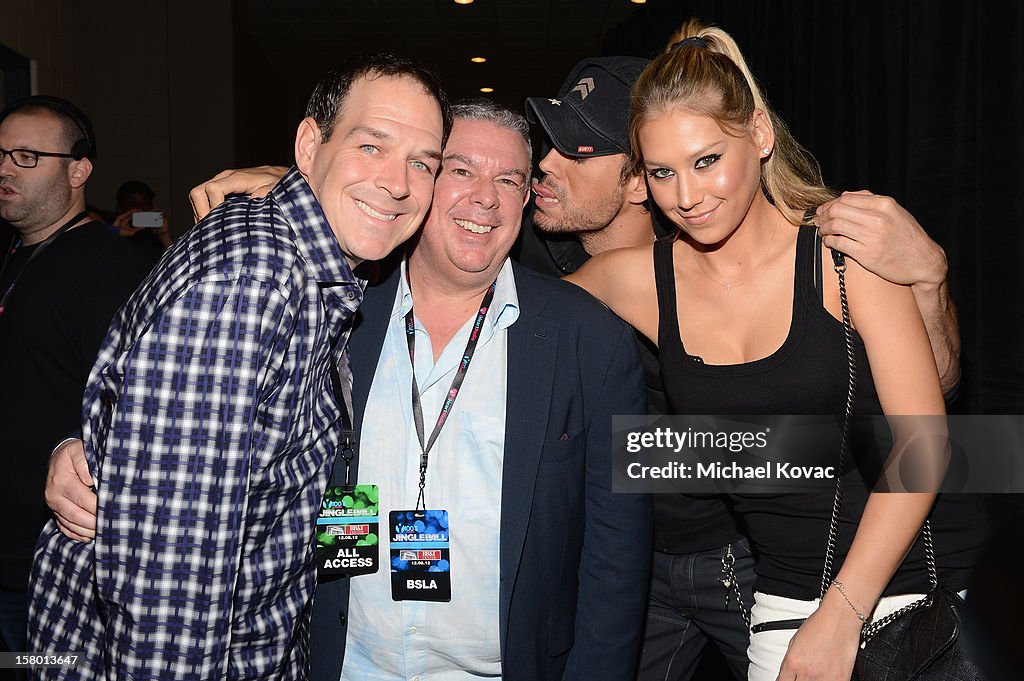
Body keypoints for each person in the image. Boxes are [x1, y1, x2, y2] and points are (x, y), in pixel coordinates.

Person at [46, 99, 654, 681]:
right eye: (458, 169)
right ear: (421, 182)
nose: (484, 199)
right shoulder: (330, 307)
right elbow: (201, 403)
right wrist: (91, 449)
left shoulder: (592, 340)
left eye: (511, 180)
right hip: (340, 661)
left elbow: (617, 555)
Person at [563, 20, 990, 681]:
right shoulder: (641, 280)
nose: (689, 196)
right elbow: (513, 316)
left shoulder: (845, 255)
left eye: (707, 160)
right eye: (663, 172)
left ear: (759, 134)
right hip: (785, 595)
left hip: (916, 593)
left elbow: (925, 446)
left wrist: (842, 615)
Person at [28, 52, 451, 681]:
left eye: (425, 163)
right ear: (311, 145)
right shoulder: (255, 280)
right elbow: (170, 591)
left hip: (288, 639)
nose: (399, 181)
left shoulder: (335, 276)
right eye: (372, 146)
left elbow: (296, 481)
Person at [0, 95, 156, 678]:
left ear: (78, 171)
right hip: (10, 556)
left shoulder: (109, 269)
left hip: (50, 569)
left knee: (36, 668)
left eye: (25, 155)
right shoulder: (19, 251)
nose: (5, 168)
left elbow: (133, 413)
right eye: (0, 154)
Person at [110, 179, 174, 258]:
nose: (139, 207)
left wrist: (164, 236)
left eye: (145, 202)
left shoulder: (155, 242)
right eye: (131, 202)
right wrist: (114, 232)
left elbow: (177, 265)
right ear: (120, 207)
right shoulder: (111, 237)